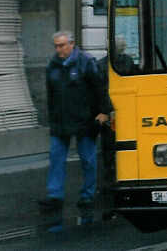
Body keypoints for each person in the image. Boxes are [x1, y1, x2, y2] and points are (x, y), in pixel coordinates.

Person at [38, 31, 112, 211]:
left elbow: (99, 87)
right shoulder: (53, 64)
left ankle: (87, 195)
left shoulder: (86, 61)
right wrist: (52, 118)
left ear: (72, 44)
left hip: (84, 120)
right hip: (61, 121)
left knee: (87, 159)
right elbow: (51, 94)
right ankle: (55, 196)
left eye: (62, 45)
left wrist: (104, 111)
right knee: (56, 158)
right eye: (56, 46)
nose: (58, 49)